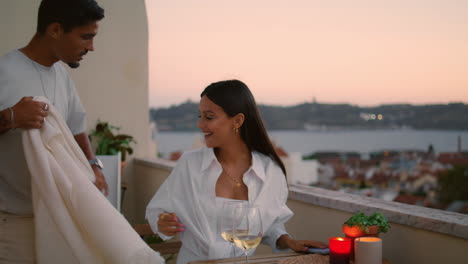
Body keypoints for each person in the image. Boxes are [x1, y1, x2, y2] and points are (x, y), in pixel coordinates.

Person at [146, 80, 327, 264]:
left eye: (209, 117)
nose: (200, 124)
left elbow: (269, 223)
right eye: (200, 116)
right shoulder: (189, 164)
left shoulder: (270, 171)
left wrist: (289, 241)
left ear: (238, 121)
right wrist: (162, 222)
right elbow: (156, 210)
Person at [0, 0, 108, 262]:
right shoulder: (3, 71)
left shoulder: (62, 76)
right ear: (56, 30)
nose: (91, 47)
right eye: (86, 37)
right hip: (12, 220)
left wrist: (93, 165)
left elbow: (76, 128)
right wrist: (10, 117)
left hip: (60, 216)